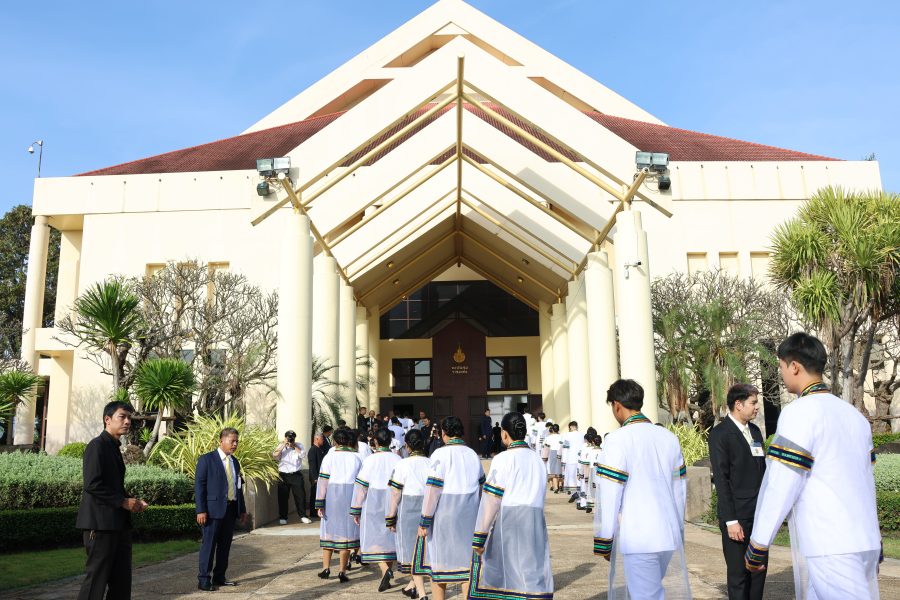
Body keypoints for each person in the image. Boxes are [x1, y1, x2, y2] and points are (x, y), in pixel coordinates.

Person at [746, 333, 882, 598]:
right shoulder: (854, 416)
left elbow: (781, 483)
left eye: (781, 366)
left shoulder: (800, 412)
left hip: (831, 543)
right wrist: (875, 536)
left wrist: (759, 543)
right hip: (862, 538)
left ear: (794, 366)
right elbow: (868, 483)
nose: (782, 373)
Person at [594, 379, 691, 599]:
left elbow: (610, 493)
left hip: (639, 535)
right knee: (652, 592)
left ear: (617, 405)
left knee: (646, 596)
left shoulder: (617, 439)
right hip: (667, 533)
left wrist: (605, 539)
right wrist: (678, 531)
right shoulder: (668, 437)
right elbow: (679, 492)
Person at [470, 412, 554, 599]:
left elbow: (492, 499)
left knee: (506, 577)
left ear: (504, 434)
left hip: (510, 522)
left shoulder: (503, 459)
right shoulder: (537, 460)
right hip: (534, 522)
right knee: (531, 573)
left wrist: (480, 535)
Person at [76, 400, 148, 600]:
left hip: (119, 525)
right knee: (96, 583)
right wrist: (123, 502)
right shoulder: (96, 446)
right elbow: (92, 484)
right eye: (122, 417)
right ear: (107, 420)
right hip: (100, 526)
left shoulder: (114, 447)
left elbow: (112, 486)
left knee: (121, 584)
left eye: (129, 418)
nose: (127, 422)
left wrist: (133, 501)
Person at [414, 416, 484, 600]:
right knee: (466, 565)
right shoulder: (472, 454)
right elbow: (481, 488)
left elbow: (432, 490)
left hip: (444, 514)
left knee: (439, 566)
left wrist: (424, 520)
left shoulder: (439, 454)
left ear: (443, 433)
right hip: (469, 515)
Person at [708, 383, 767, 600]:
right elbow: (722, 481)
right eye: (753, 403)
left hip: (759, 514)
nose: (757, 407)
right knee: (738, 574)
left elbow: (763, 471)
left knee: (758, 570)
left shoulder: (755, 431)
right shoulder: (720, 435)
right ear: (738, 404)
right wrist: (731, 520)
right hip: (737, 517)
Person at [196, 427, 248, 591]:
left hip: (230, 510)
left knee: (225, 547)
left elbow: (238, 487)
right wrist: (201, 510)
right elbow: (200, 486)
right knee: (209, 546)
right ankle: (204, 579)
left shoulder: (235, 462)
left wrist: (242, 509)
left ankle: (219, 577)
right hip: (211, 511)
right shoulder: (207, 459)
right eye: (232, 441)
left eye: (236, 441)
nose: (235, 444)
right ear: (221, 441)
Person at [350, 427, 402, 592]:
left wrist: (356, 508)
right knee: (390, 538)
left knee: (374, 539)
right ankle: (386, 572)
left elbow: (361, 486)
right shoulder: (397, 459)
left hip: (373, 500)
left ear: (376, 442)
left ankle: (385, 570)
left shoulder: (370, 460)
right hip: (394, 500)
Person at [386, 428, 431, 599]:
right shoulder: (431, 462)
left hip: (409, 508)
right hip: (429, 508)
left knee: (412, 551)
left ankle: (421, 594)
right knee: (424, 550)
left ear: (407, 445)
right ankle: (412, 586)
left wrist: (390, 516)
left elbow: (395, 493)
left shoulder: (402, 464)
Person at [315, 426, 362, 583]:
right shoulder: (357, 457)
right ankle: (342, 570)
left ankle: (326, 568)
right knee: (346, 534)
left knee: (329, 531)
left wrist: (319, 502)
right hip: (350, 495)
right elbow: (361, 483)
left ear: (335, 440)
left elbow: (323, 481)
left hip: (332, 496)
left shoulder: (329, 457)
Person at [273, 430, 312, 525]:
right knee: (283, 497)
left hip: (296, 475)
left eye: (292, 438)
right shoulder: (280, 446)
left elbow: (302, 455)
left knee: (300, 496)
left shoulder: (299, 445)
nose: (290, 439)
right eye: (289, 438)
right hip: (283, 475)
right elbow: (274, 455)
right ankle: (283, 517)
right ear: (285, 437)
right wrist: (283, 445)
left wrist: (294, 446)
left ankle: (303, 516)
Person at [560, 421, 584, 502]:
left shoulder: (567, 435)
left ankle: (574, 493)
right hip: (580, 458)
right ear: (576, 426)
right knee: (579, 477)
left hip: (570, 458)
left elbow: (565, 448)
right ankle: (580, 497)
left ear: (570, 427)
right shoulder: (582, 435)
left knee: (571, 477)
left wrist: (563, 460)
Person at [307, 433, 326, 521]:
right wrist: (315, 477)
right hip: (315, 477)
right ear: (316, 439)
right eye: (321, 439)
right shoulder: (313, 450)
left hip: (320, 477)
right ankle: (313, 512)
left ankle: (317, 511)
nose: (323, 441)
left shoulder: (320, 449)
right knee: (314, 494)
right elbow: (312, 465)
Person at [542, 423, 562, 493]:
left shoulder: (548, 437)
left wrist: (544, 458)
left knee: (553, 470)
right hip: (561, 453)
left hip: (552, 452)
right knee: (560, 469)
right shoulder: (562, 437)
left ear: (552, 430)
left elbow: (546, 448)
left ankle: (556, 487)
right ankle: (560, 484)